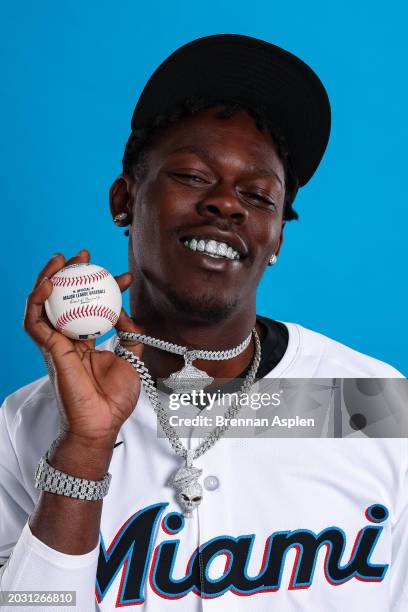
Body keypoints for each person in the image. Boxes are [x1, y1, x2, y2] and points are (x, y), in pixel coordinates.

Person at [0, 34, 406, 611]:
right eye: (192, 176)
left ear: (276, 240)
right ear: (124, 200)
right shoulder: (27, 426)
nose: (227, 203)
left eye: (259, 195)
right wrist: (84, 447)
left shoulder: (371, 400)